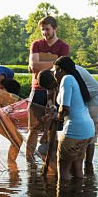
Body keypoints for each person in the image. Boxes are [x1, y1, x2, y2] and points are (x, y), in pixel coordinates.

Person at [26, 16, 69, 161]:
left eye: (47, 29)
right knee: (33, 128)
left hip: (55, 90)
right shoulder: (36, 44)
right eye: (42, 29)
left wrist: (42, 63)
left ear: (55, 29)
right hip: (36, 89)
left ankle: (50, 161)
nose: (44, 32)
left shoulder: (63, 46)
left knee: (53, 128)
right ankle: (29, 160)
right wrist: (54, 61)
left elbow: (61, 67)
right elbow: (34, 66)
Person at [53, 56, 98, 174]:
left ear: (60, 69)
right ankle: (84, 185)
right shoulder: (74, 77)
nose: (53, 73)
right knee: (78, 166)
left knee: (64, 170)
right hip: (87, 130)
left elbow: (65, 108)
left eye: (54, 70)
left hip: (76, 128)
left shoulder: (67, 79)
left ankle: (63, 191)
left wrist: (57, 118)